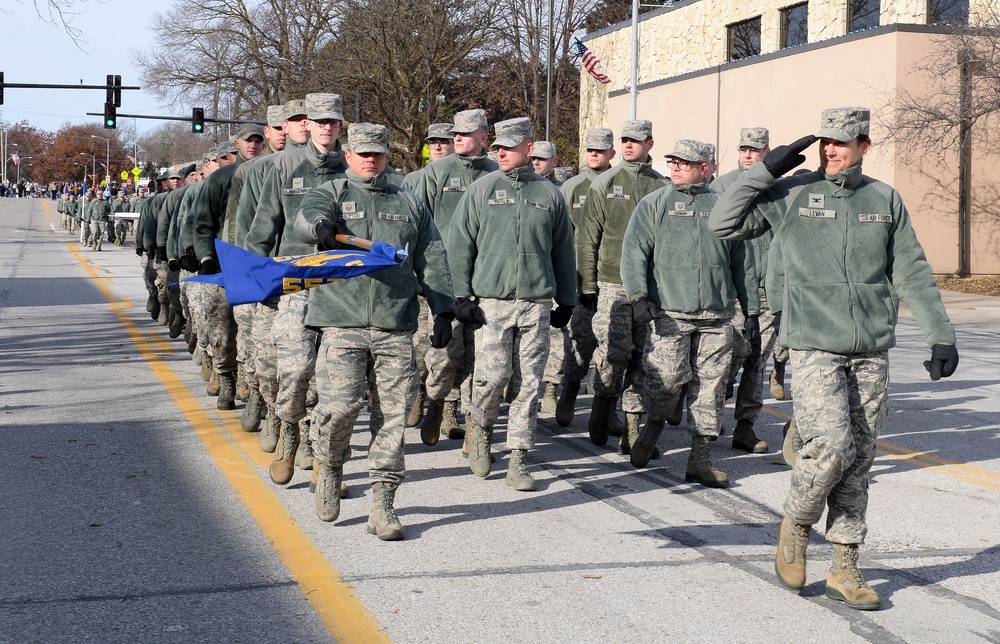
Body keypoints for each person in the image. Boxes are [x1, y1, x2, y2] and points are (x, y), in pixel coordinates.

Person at [709, 106, 959, 611]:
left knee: (860, 457)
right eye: (826, 141)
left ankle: (845, 565)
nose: (830, 150)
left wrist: (941, 335)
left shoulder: (884, 199)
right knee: (830, 447)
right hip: (813, 343)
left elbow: (911, 268)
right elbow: (721, 222)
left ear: (864, 146)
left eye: (842, 143)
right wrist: (765, 172)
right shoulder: (793, 193)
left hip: (870, 347)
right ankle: (797, 524)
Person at [294, 122, 455, 540]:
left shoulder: (408, 200)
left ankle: (383, 503)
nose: (370, 160)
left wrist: (442, 309)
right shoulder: (330, 193)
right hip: (341, 321)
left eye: (377, 154)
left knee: (392, 417)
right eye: (362, 153)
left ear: (387, 156)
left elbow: (431, 256)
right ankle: (329, 466)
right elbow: (306, 218)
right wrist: (321, 229)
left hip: (394, 325)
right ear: (348, 156)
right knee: (340, 409)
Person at [448, 117, 577, 491]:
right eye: (497, 147)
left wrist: (565, 299)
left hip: (536, 302)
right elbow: (460, 247)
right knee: (493, 375)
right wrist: (462, 296)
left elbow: (563, 253)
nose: (500, 152)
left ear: (529, 147)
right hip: (493, 302)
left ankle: (519, 456)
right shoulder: (481, 190)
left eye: (508, 146)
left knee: (529, 382)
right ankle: (483, 431)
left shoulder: (549, 195)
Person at [621, 139, 758, 485]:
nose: (677, 167)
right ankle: (653, 425)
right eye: (673, 161)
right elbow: (634, 252)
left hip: (717, 316)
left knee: (710, 388)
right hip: (670, 313)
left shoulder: (725, 206)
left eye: (685, 162)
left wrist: (751, 309)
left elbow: (743, 263)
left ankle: (700, 457)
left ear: (706, 167)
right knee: (665, 382)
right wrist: (638, 297)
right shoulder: (655, 204)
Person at [245, 93, 350, 485]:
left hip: (342, 286)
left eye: (332, 122)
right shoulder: (284, 167)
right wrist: (259, 280)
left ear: (341, 126)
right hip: (294, 283)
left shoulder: (354, 165)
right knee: (295, 367)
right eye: (319, 121)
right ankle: (289, 425)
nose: (325, 128)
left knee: (333, 379)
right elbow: (262, 228)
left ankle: (321, 452)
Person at [408, 109, 498, 446]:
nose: (457, 139)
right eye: (454, 134)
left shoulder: (495, 173)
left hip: (487, 282)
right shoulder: (435, 174)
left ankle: (464, 420)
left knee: (480, 361)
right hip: (445, 281)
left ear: (483, 137)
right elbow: (418, 230)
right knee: (444, 355)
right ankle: (432, 401)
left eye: (464, 134)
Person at [577, 120, 666, 449]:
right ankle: (602, 406)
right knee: (614, 353)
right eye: (624, 140)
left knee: (645, 357)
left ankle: (632, 426)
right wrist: (587, 284)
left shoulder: (663, 187)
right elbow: (588, 239)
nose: (628, 146)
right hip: (611, 282)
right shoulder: (605, 183)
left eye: (635, 141)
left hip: (650, 287)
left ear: (650, 144)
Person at [711, 127, 776, 453]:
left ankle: (746, 426)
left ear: (767, 151)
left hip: (767, 291)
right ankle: (711, 413)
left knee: (758, 361)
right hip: (732, 291)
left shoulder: (777, 188)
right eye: (744, 148)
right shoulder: (722, 186)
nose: (748, 154)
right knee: (728, 355)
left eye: (755, 149)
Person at [545, 128, 616, 426]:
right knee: (582, 343)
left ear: (612, 153)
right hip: (579, 278)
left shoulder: (619, 184)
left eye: (600, 150)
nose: (594, 154)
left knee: (616, 347)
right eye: (590, 150)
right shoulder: (571, 187)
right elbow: (557, 236)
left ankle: (608, 408)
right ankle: (570, 389)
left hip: (614, 278)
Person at [192, 124, 265, 410]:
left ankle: (248, 382)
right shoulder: (222, 178)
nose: (254, 146)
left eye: (259, 141)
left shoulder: (272, 171)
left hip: (254, 267)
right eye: (249, 141)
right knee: (222, 330)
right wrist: (206, 258)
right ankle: (226, 379)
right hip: (223, 265)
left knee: (250, 333)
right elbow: (203, 222)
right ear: (237, 144)